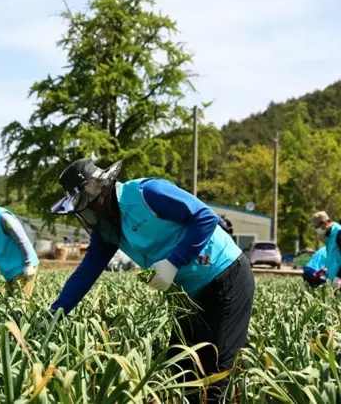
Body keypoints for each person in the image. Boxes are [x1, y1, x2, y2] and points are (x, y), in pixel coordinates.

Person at [49, 159, 255, 403]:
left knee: (213, 375)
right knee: (180, 368)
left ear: (101, 193)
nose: (87, 214)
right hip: (189, 293)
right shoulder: (108, 230)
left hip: (226, 276)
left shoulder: (147, 193)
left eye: (87, 206)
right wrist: (54, 314)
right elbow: (86, 273)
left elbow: (205, 219)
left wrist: (174, 262)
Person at [311, 211, 341, 289]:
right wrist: (325, 269)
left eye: (317, 227)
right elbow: (333, 255)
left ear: (324, 223)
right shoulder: (328, 235)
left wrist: (339, 277)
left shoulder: (338, 232)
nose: (316, 229)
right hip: (333, 278)